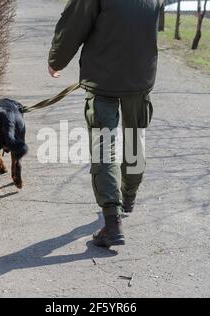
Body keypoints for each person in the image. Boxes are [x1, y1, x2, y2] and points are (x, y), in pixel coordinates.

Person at [48, 0, 162, 248]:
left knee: (104, 146)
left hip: (103, 79)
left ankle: (112, 221)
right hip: (140, 77)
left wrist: (56, 60)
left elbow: (74, 23)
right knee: (134, 138)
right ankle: (128, 198)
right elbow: (151, 25)